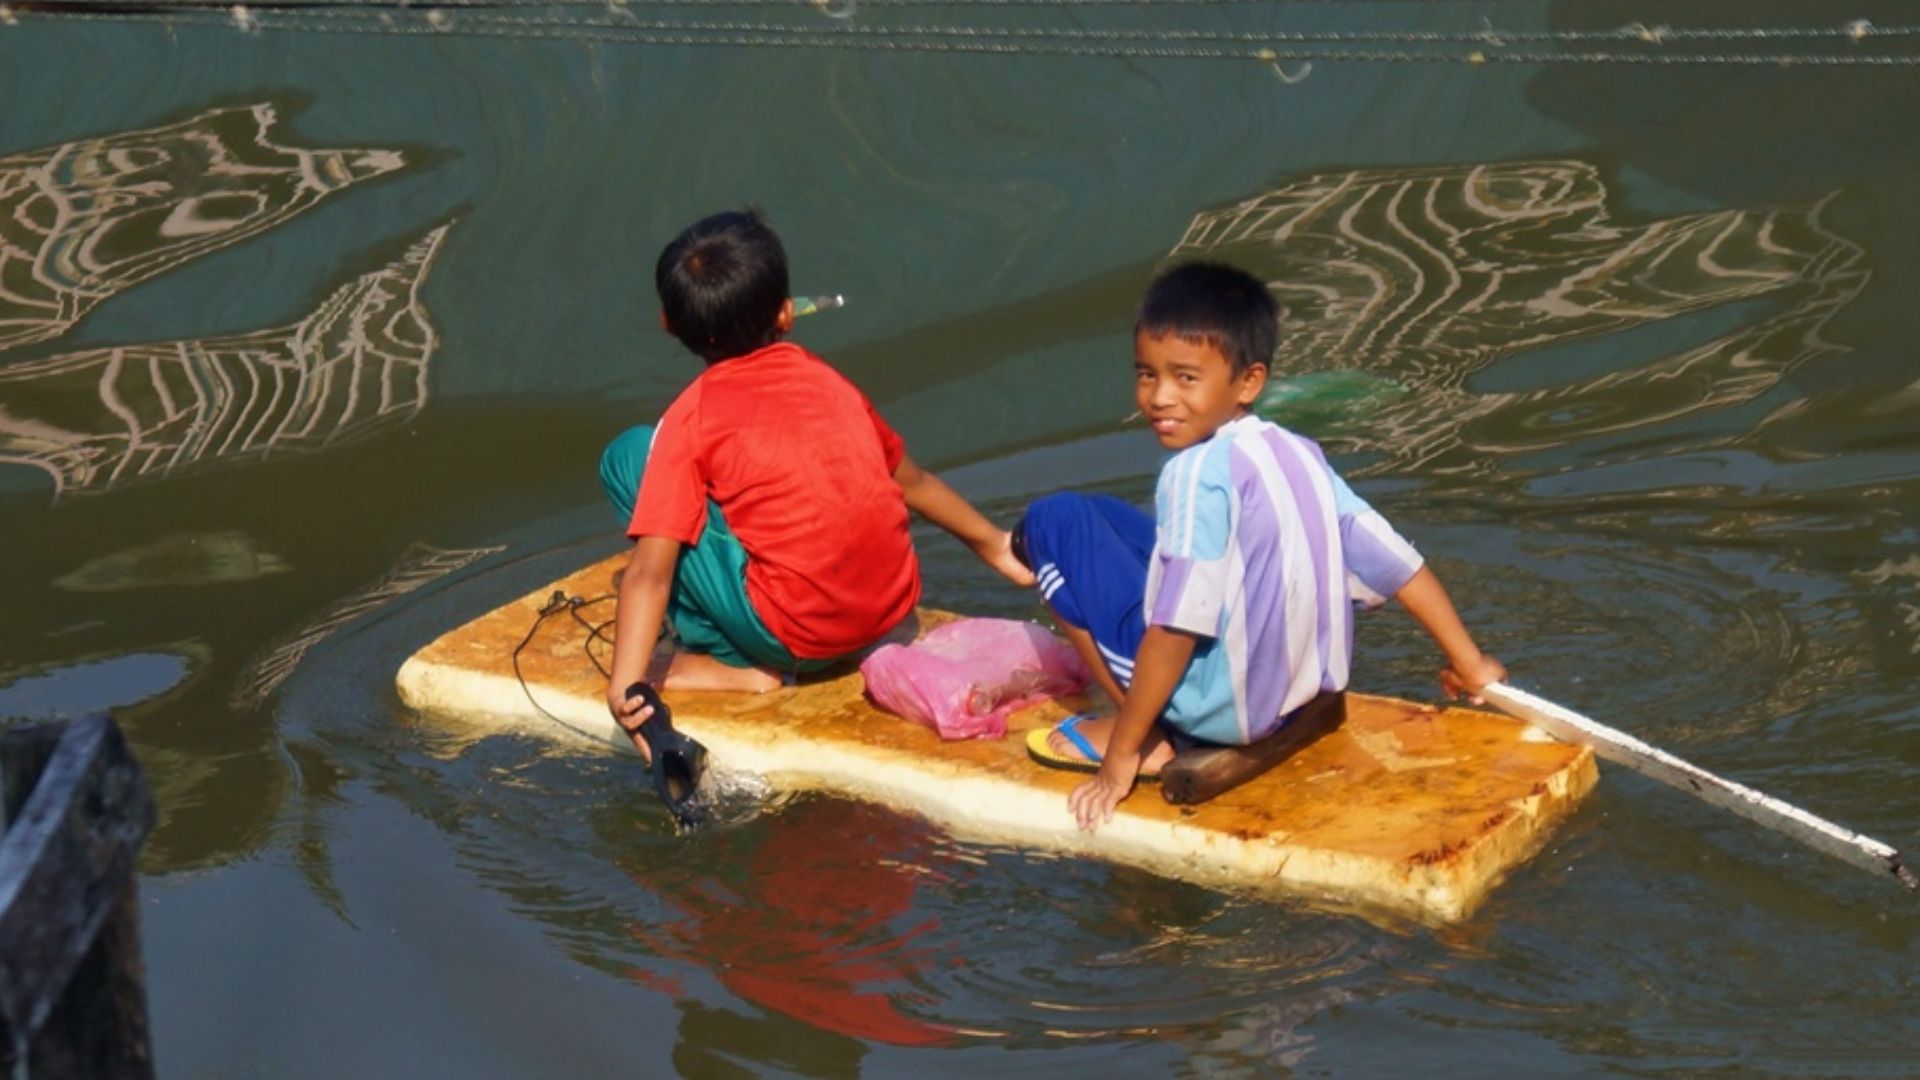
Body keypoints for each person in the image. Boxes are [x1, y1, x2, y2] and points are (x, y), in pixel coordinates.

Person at [1018, 261, 1508, 830]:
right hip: (1304, 695)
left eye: (1185, 378)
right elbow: (1398, 564)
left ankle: (1142, 734)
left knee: (1049, 523)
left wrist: (1119, 760)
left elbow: (1175, 628)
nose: (1159, 397)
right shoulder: (1297, 450)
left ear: (1248, 382)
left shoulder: (1192, 474)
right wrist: (1469, 662)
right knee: (1099, 515)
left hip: (1222, 714)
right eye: (1147, 375)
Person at [602, 209, 1033, 756]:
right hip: (890, 614)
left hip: (795, 644)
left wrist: (627, 687)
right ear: (786, 313)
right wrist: (994, 545)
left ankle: (732, 663)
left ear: (668, 323)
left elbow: (650, 574)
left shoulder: (689, 418)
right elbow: (912, 481)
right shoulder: (831, 384)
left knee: (629, 456)